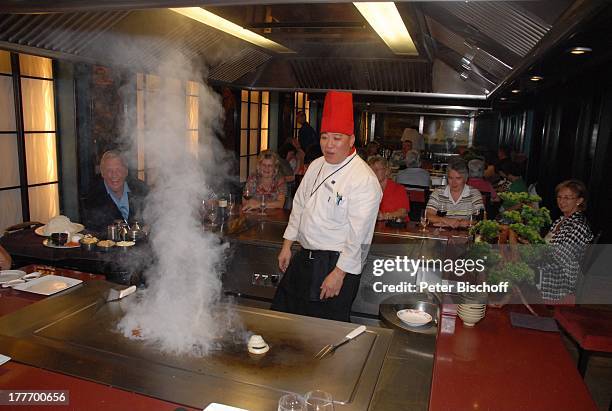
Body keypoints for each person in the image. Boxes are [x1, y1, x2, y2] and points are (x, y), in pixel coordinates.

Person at [271, 91, 382, 322]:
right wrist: (287, 245)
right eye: (324, 137)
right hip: (305, 257)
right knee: (285, 319)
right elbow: (299, 205)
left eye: (337, 138)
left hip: (337, 263)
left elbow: (359, 235)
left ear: (351, 140)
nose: (328, 145)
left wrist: (339, 273)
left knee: (325, 331)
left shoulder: (363, 179)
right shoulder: (316, 165)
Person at [539, 179, 593, 301]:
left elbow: (559, 258)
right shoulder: (561, 220)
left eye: (567, 198)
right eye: (559, 197)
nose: (562, 201)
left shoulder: (578, 226)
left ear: (579, 200)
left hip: (558, 279)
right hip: (548, 268)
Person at [82, 150, 148, 233]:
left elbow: (154, 218)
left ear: (126, 171)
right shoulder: (92, 198)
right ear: (102, 173)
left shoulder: (141, 190)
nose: (114, 175)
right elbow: (92, 233)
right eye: (109, 170)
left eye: (118, 170)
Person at [425, 158, 483, 228]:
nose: (454, 183)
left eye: (458, 178)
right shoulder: (438, 192)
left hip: (465, 235)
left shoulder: (474, 194)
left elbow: (480, 220)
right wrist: (446, 220)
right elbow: (428, 215)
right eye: (450, 178)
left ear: (465, 179)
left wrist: (458, 223)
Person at [368, 156, 410, 221]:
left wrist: (385, 216)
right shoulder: (367, 189)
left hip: (396, 227)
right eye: (371, 170)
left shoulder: (398, 189)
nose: (373, 172)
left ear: (387, 171)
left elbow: (403, 212)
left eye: (376, 169)